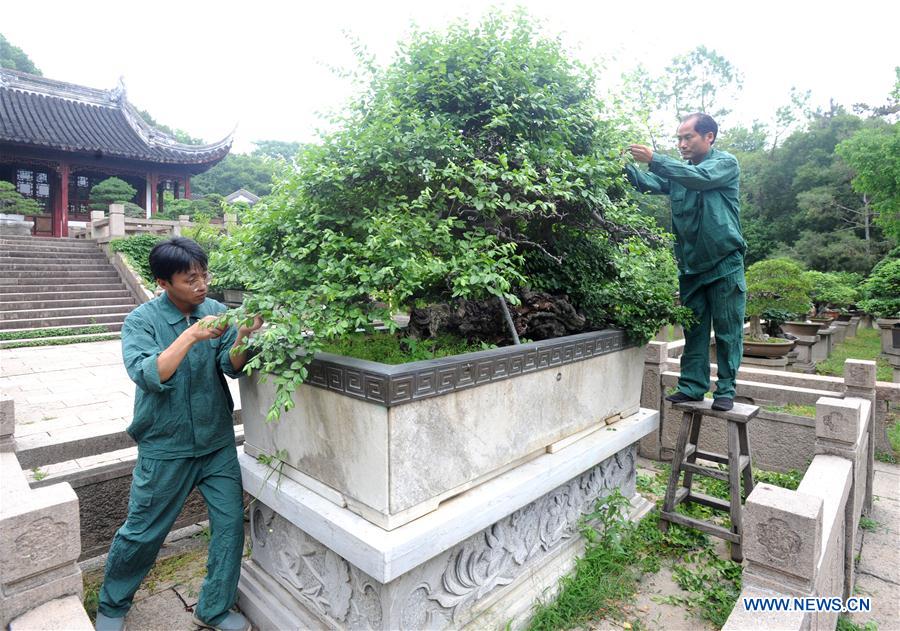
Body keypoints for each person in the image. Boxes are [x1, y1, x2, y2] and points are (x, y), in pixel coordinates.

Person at [95, 237, 262, 631]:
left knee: (229, 527)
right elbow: (149, 374)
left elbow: (231, 366)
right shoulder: (141, 321)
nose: (201, 284)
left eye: (204, 275)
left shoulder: (217, 311)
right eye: (190, 279)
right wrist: (188, 336)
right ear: (163, 282)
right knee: (142, 532)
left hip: (216, 441)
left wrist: (243, 336)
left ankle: (213, 608)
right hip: (165, 445)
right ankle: (113, 605)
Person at [626, 113, 746, 412]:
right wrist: (621, 167)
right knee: (694, 328)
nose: (681, 144)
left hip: (724, 263)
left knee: (728, 328)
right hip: (691, 266)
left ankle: (726, 390)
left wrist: (655, 158)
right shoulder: (679, 174)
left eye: (687, 137)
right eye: (678, 139)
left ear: (709, 137)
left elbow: (701, 180)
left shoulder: (724, 164)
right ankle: (692, 386)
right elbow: (648, 183)